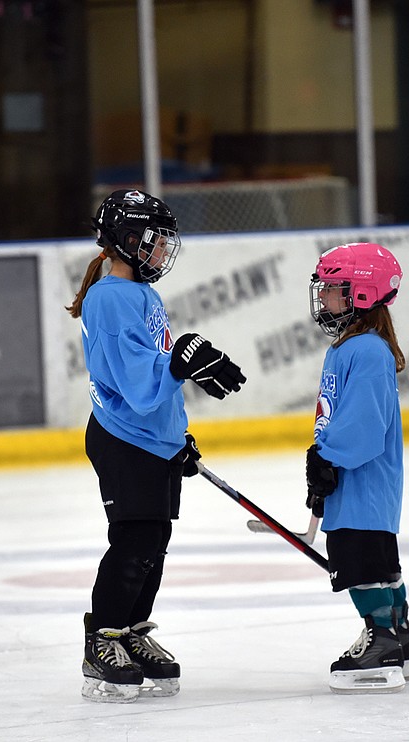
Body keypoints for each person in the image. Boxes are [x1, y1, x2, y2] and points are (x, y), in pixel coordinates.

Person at [66, 189, 247, 703]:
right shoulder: (109, 297)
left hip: (152, 440)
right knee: (134, 542)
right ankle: (102, 638)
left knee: (153, 545)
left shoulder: (141, 294)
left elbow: (157, 378)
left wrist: (177, 438)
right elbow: (133, 379)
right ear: (123, 240)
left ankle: (131, 629)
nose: (162, 251)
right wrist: (179, 360)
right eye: (152, 240)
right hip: (125, 440)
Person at [303, 241, 409, 694]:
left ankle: (382, 640)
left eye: (333, 288)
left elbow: (365, 426)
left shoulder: (367, 351)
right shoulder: (353, 347)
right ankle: (397, 639)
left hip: (363, 484)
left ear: (362, 295)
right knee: (379, 564)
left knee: (361, 563)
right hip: (359, 487)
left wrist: (328, 456)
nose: (324, 297)